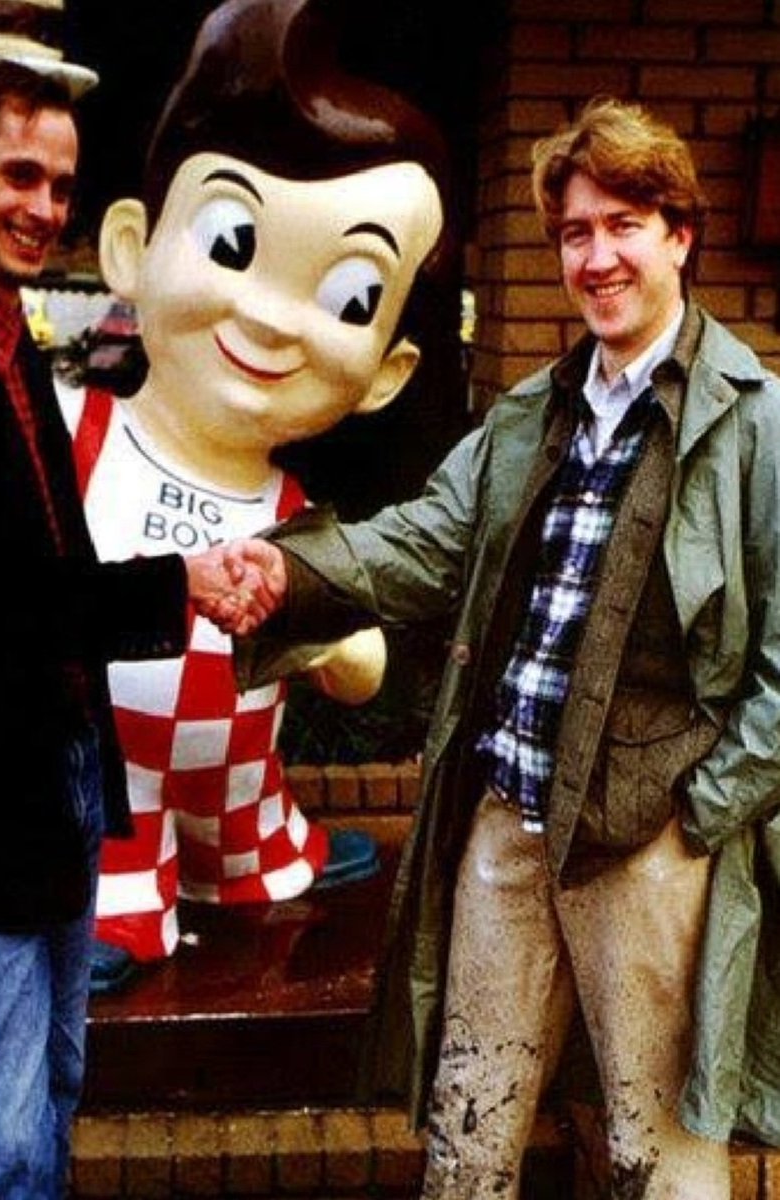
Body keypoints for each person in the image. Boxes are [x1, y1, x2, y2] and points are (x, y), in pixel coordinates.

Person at [209, 97, 780, 1198]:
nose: (596, 257)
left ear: (678, 234)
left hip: (650, 848)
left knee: (661, 1159)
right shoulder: (535, 411)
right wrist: (288, 569)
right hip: (507, 827)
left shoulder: (755, 425)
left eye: (623, 224)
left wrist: (701, 812)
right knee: (469, 1134)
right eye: (574, 232)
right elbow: (425, 540)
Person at [0, 60, 274, 1199]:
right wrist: (186, 586)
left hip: (61, 778)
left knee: (58, 1088)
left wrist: (176, 582)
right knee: (7, 1135)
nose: (44, 208)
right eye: (19, 175)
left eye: (61, 185)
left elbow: (51, 567)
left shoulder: (13, 344)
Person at [53, 0, 453, 987]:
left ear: (384, 373)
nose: (272, 320)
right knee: (105, 790)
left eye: (348, 298)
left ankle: (245, 853)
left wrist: (337, 640)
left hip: (240, 795)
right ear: (129, 249)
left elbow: (349, 663)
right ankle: (119, 880)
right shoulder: (74, 437)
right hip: (105, 788)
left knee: (246, 802)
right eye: (231, 244)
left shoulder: (292, 512)